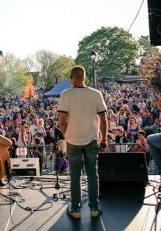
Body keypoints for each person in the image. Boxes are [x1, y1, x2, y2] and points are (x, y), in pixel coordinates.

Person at [58, 66, 107, 219]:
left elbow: (62, 122)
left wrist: (68, 135)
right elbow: (103, 120)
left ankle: (75, 209)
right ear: (84, 77)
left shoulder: (65, 94)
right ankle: (94, 208)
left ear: (71, 78)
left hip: (73, 141)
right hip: (92, 139)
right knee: (93, 174)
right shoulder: (96, 94)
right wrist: (104, 138)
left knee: (75, 176)